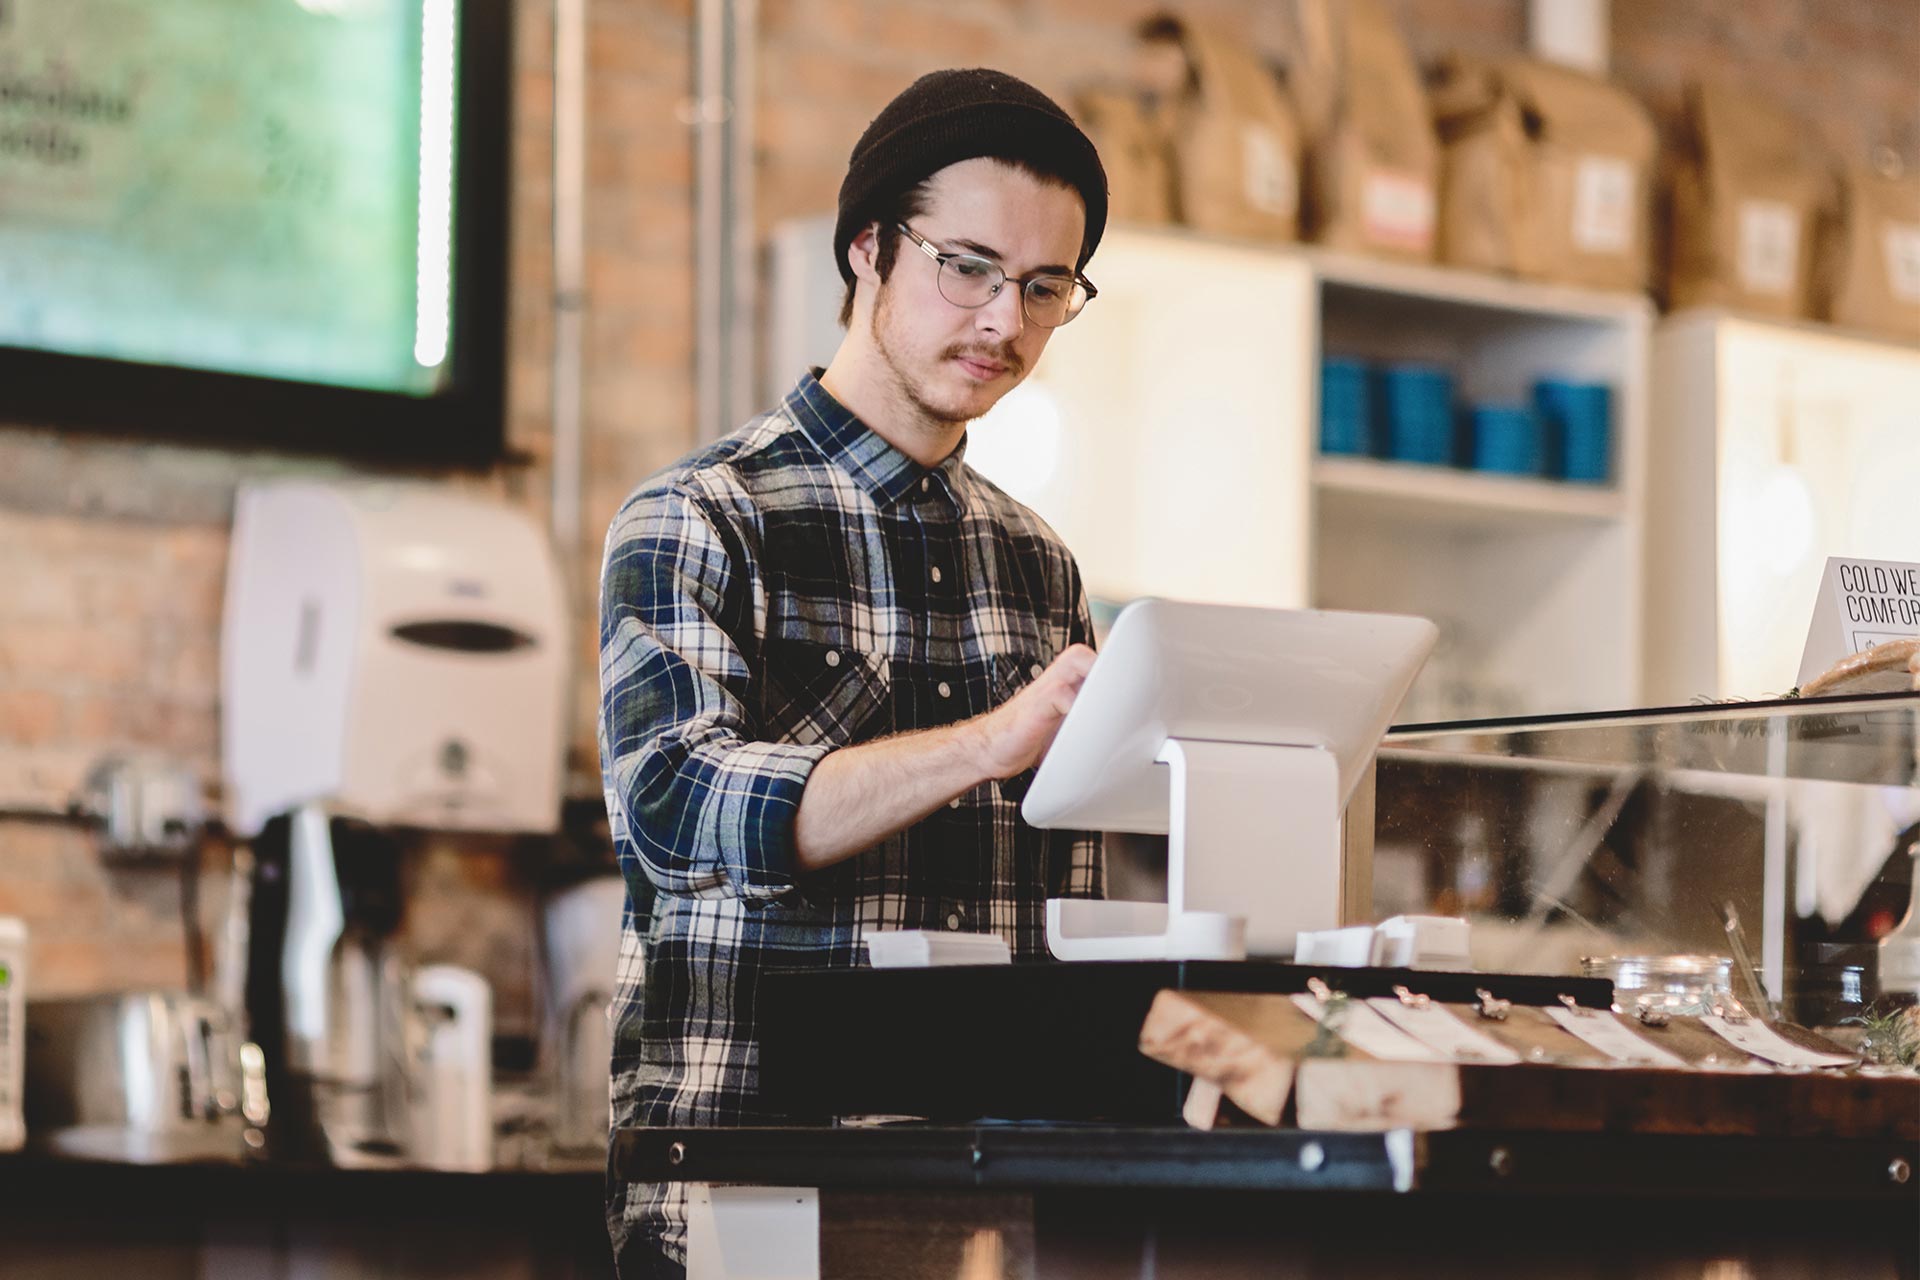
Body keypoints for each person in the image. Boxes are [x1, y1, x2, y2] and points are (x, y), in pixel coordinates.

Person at [598, 67, 1110, 1277]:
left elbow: (1067, 915)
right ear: (869, 248)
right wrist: (985, 743)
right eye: (968, 266)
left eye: (1045, 286)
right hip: (740, 1193)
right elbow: (675, 810)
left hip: (978, 1204)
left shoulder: (1041, 564)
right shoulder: (700, 515)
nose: (1005, 322)